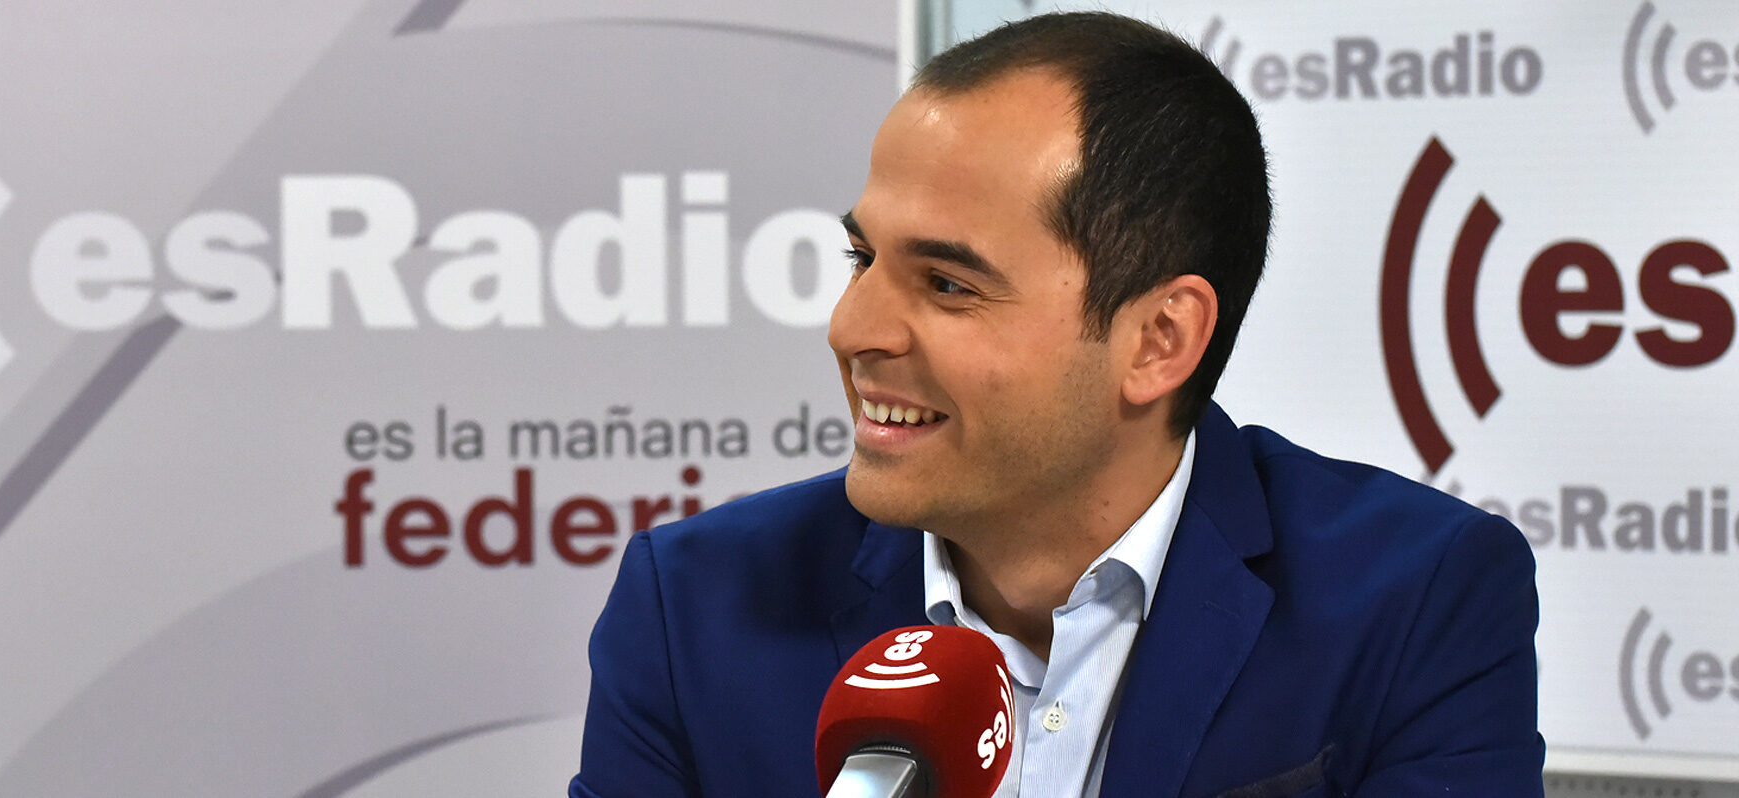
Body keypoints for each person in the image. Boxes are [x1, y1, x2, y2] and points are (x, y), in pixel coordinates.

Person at [570, 11, 1542, 797]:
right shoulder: (692, 607)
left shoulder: (1416, 597)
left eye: (947, 284)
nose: (852, 328)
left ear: (1159, 341)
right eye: (861, 258)